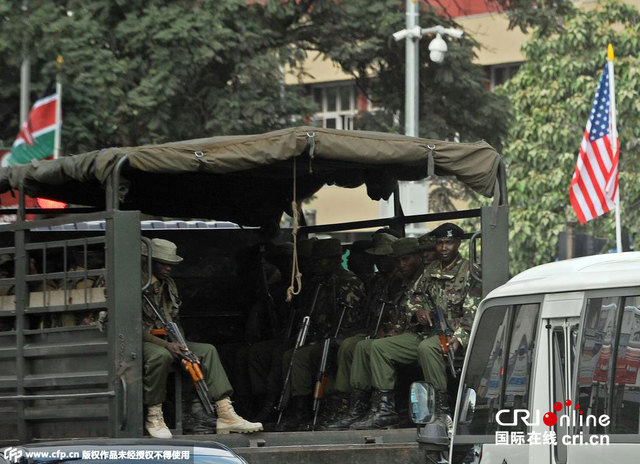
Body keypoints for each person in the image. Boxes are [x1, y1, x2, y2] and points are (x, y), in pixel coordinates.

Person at [141, 238, 262, 438]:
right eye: (164, 263)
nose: (169, 268)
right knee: (160, 356)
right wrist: (167, 345)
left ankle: (225, 413)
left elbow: (173, 316)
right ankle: (154, 415)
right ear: (148, 260)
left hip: (168, 339)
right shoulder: (135, 284)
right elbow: (132, 326)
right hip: (142, 342)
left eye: (171, 263)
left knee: (207, 350)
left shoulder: (168, 285)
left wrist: (180, 343)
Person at [278, 238, 365, 431]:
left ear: (334, 260)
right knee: (292, 355)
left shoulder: (348, 283)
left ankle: (329, 409)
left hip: (341, 338)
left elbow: (350, 320)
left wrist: (331, 339)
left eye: (321, 260)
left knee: (315, 357)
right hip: (320, 337)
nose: (316, 264)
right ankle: (300, 408)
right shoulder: (318, 283)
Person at [319, 232, 402, 430]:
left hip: (393, 332)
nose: (379, 262)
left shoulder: (400, 281)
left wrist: (388, 330)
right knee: (348, 345)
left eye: (384, 258)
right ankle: (351, 405)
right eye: (377, 258)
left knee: (362, 346)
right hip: (372, 329)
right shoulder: (379, 281)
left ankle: (375, 406)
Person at [347, 237, 429, 429]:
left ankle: (385, 411)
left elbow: (421, 312)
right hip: (404, 333)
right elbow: (398, 313)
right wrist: (391, 330)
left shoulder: (426, 277)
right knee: (361, 346)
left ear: (417, 257)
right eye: (398, 260)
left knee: (379, 347)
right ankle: (361, 406)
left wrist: (397, 331)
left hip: (423, 335)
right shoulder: (402, 281)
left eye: (406, 259)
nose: (401, 264)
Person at [415, 223, 473, 436]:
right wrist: (418, 311)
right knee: (380, 347)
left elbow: (473, 308)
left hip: (455, 335)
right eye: (439, 243)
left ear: (458, 243)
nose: (443, 247)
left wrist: (460, 337)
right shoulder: (430, 270)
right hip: (429, 331)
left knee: (427, 348)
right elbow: (414, 297)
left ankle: (440, 408)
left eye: (448, 242)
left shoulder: (469, 270)